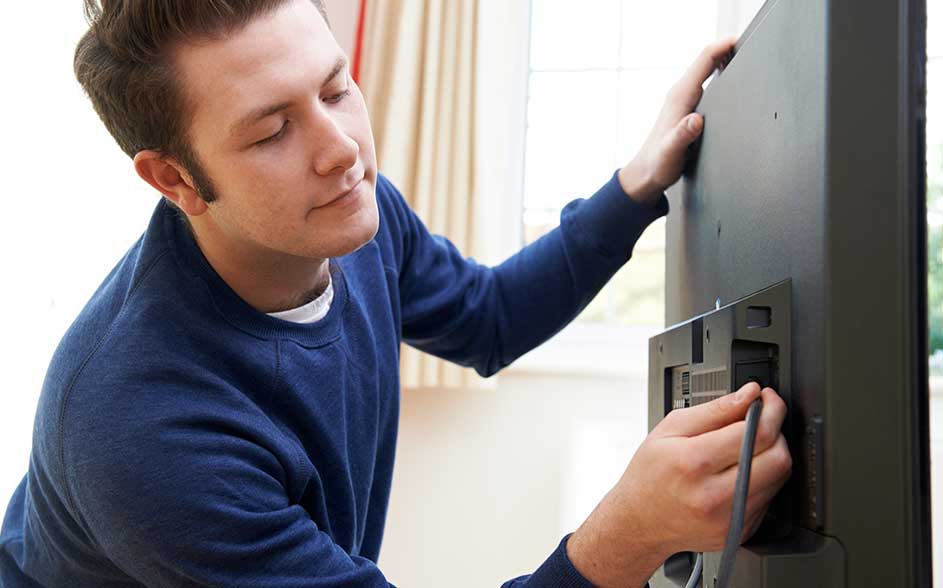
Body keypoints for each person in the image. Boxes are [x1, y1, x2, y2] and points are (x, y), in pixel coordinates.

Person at [0, 0, 792, 586]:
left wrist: (637, 184)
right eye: (272, 131)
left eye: (335, 89)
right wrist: (630, 534)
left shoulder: (347, 219)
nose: (342, 151)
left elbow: (488, 319)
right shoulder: (146, 428)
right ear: (174, 179)